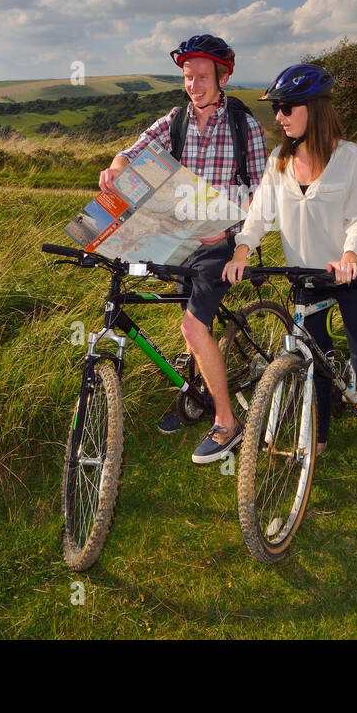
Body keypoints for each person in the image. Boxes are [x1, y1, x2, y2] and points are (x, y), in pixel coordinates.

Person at [222, 64, 357, 489]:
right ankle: (320, 437)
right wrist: (241, 250)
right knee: (315, 359)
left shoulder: (349, 156)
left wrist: (350, 254)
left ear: (314, 108)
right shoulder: (279, 161)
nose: (279, 116)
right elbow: (257, 218)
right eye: (276, 108)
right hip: (304, 278)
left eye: (287, 107)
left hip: (351, 277)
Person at [99, 34, 268, 463]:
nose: (193, 85)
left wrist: (227, 228)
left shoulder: (243, 125)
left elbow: (262, 193)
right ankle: (196, 394)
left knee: (192, 328)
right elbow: (127, 155)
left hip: (222, 241)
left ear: (223, 76)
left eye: (202, 77)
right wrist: (116, 171)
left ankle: (226, 422)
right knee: (192, 320)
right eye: (187, 77)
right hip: (180, 237)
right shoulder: (174, 120)